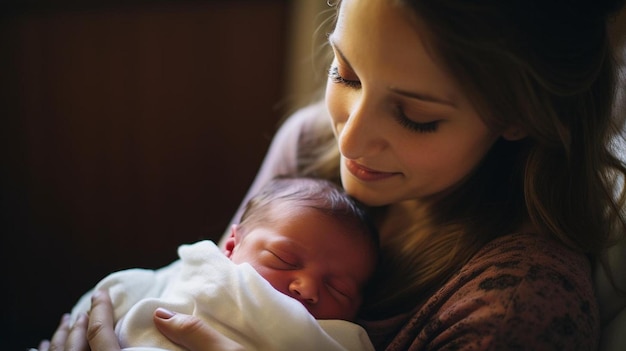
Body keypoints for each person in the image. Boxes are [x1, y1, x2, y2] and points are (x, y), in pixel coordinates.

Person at [40, 0, 626, 350]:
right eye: (345, 74)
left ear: (518, 115)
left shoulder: (520, 305)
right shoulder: (311, 145)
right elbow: (211, 276)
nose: (349, 138)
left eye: (416, 117)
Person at [40, 177, 379, 351]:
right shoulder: (204, 273)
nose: (306, 288)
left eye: (339, 288)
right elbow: (125, 294)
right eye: (283, 259)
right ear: (231, 245)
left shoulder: (341, 339)